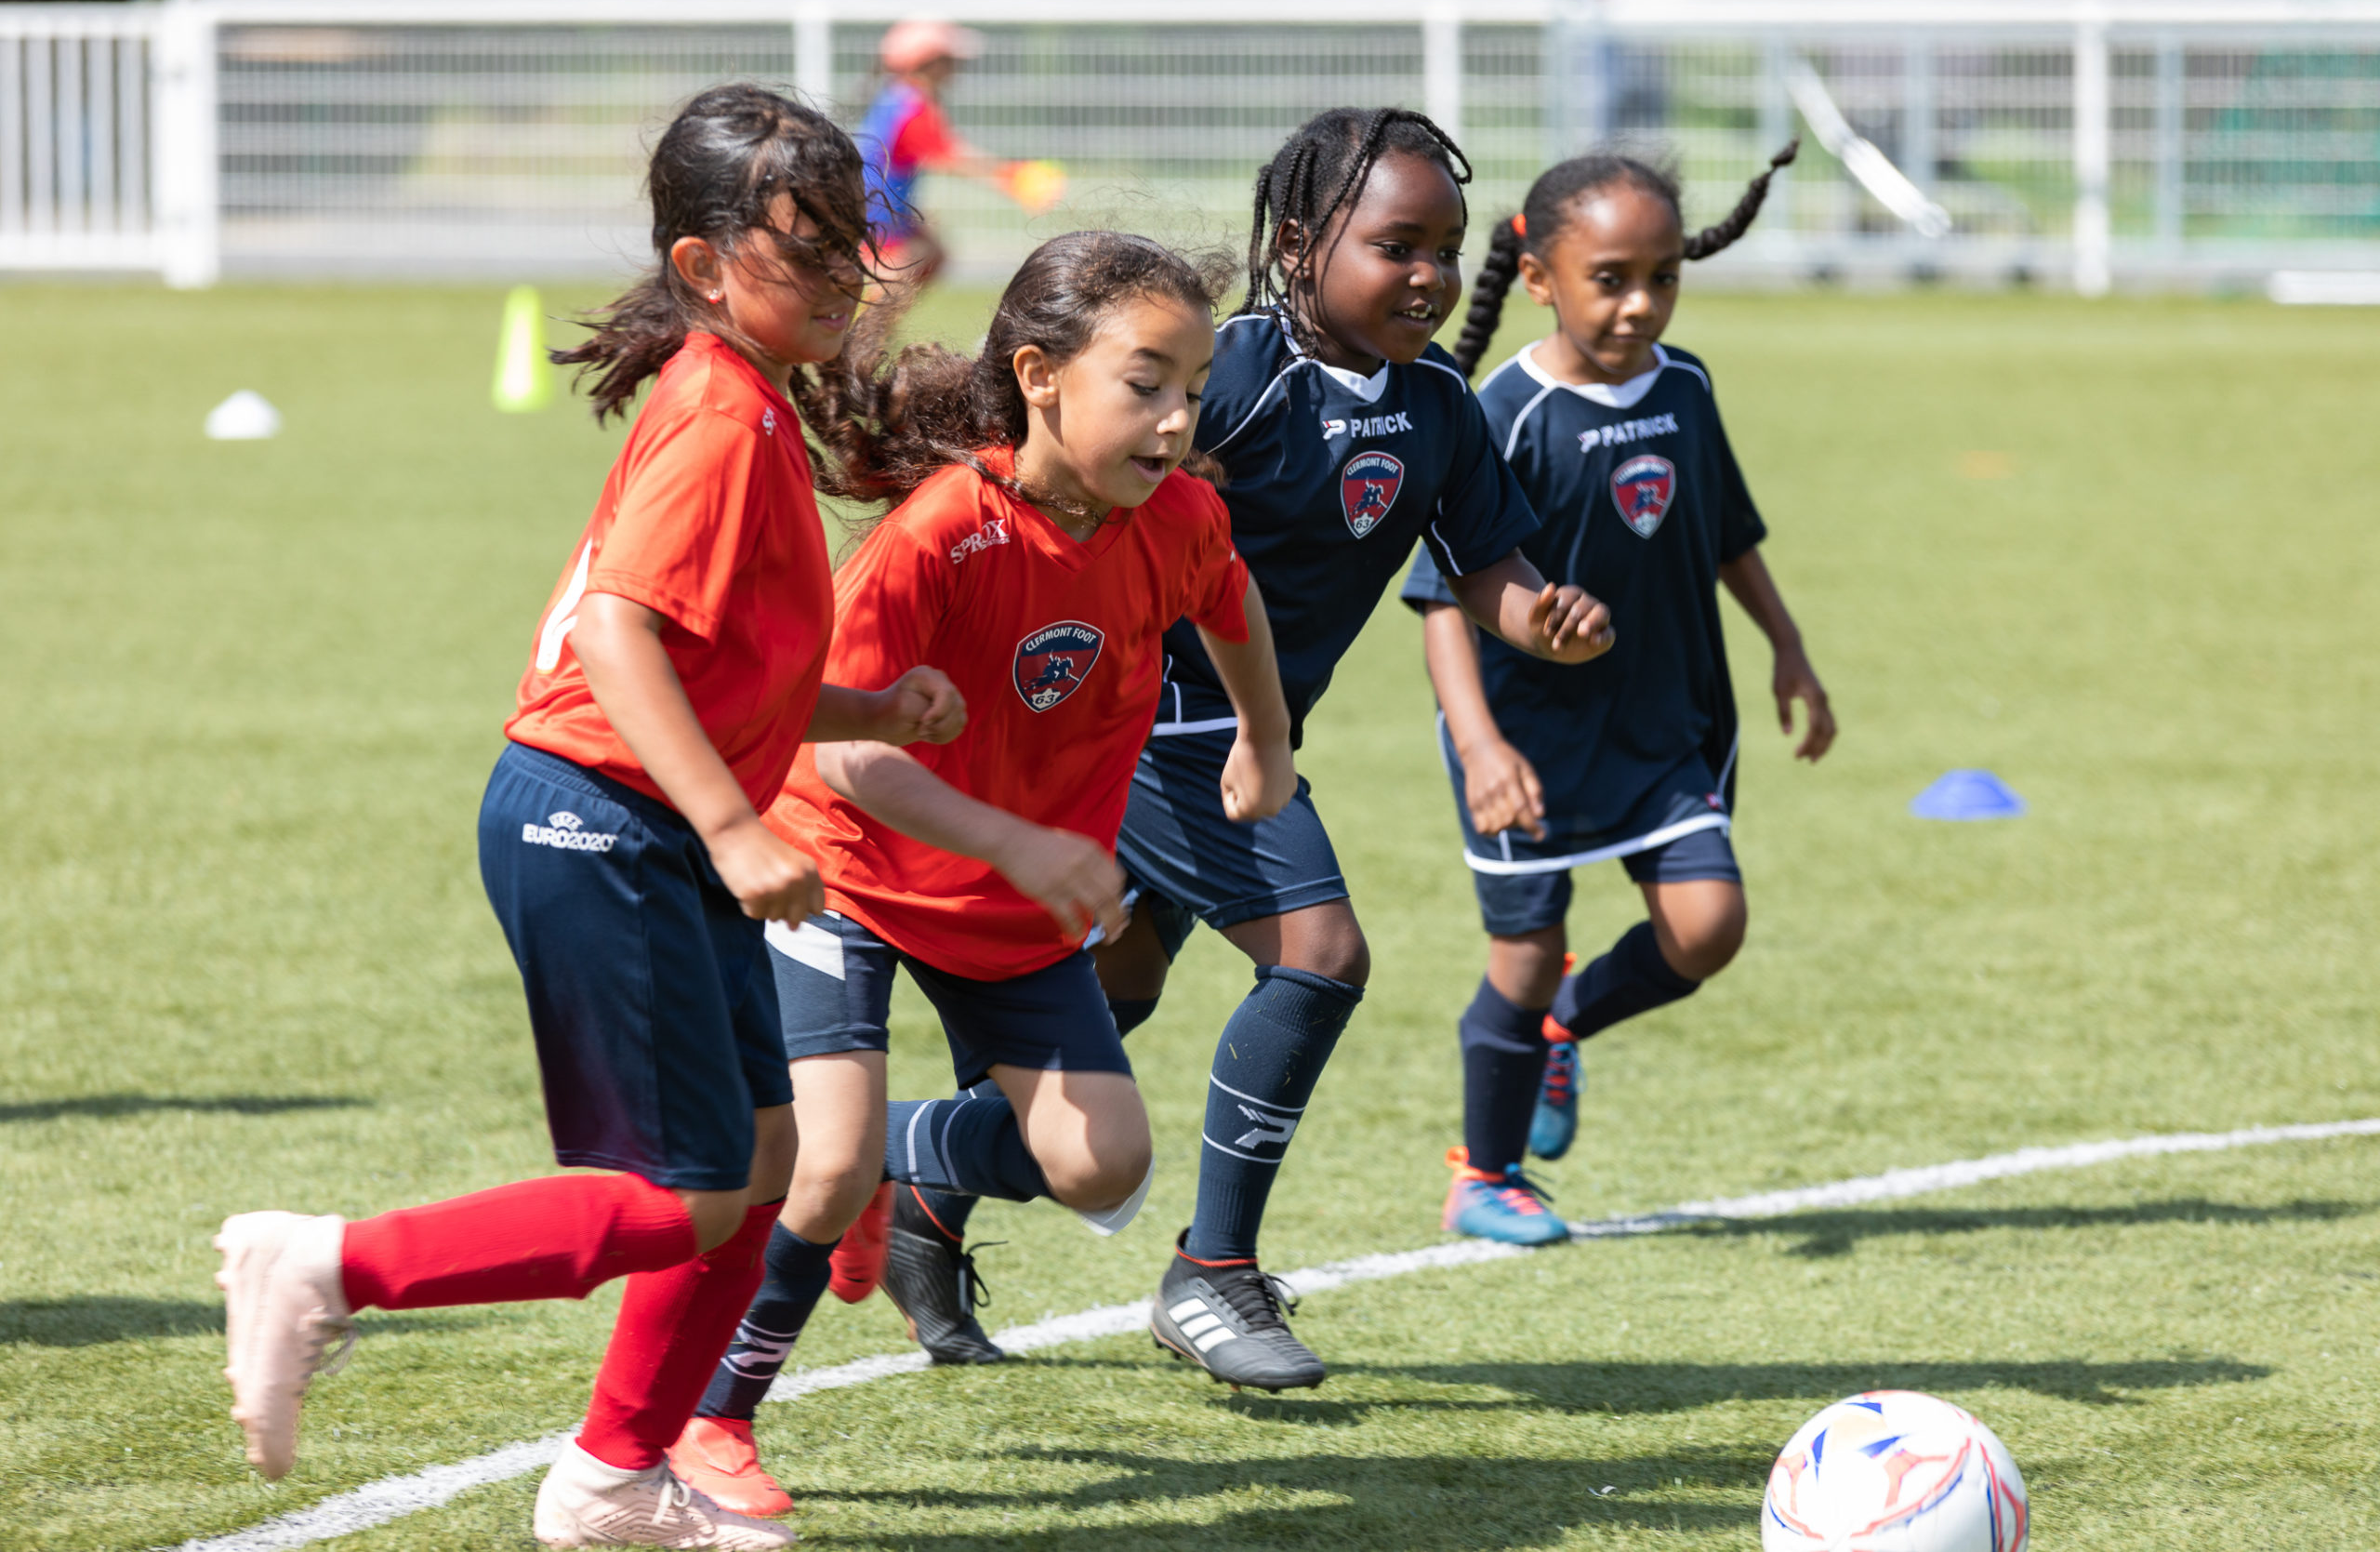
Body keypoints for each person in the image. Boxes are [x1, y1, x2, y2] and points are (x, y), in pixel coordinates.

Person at [207, 85, 969, 1550]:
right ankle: (324, 1262)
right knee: (687, 1199)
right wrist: (741, 831)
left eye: (850, 243)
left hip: (646, 821)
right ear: (703, 267)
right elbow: (618, 638)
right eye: (803, 250)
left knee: (759, 1165)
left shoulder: (743, 399)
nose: (844, 278)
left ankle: (615, 1481)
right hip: (599, 821)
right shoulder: (724, 416)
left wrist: (871, 714)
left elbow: (711, 666)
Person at [861, 107, 1621, 1396]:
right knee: (1319, 952)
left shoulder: (1437, 404)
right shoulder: (1234, 375)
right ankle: (1213, 1273)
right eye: (1395, 246)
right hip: (1148, 726)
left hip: (1230, 737)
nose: (1427, 275)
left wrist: (1540, 616)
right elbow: (1106, 501)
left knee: (1120, 996)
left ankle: (917, 1180)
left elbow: (1483, 561)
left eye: (1444, 248)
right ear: (1300, 240)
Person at [658, 231, 1298, 1515]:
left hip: (998, 900)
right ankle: (715, 1415)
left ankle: (898, 1160)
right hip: (840, 868)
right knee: (821, 1165)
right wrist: (1019, 837)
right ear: (1040, 375)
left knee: (1103, 1161)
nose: (1177, 419)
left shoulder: (1174, 517)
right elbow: (845, 756)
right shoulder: (941, 532)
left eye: (1193, 386)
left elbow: (1230, 599)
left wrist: (1265, 739)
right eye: (1147, 382)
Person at [1411, 141, 1833, 1247]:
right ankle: (1482, 1175)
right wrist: (1480, 745)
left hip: (1666, 721)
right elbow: (1442, 599)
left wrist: (1788, 649)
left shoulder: (1685, 385)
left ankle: (1566, 1025)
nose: (1641, 305)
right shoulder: (1497, 416)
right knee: (1518, 951)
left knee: (1707, 928)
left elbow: (1725, 534)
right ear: (1541, 277)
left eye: (1662, 278)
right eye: (1611, 279)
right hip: (1529, 742)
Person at [853, 20, 1066, 291]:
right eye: (950, 59)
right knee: (906, 265)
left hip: (879, 208)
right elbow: (952, 157)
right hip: (877, 215)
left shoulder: (897, 97)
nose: (956, 67)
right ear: (928, 62)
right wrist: (1014, 177)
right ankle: (866, 332)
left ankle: (873, 329)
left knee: (931, 252)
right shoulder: (912, 105)